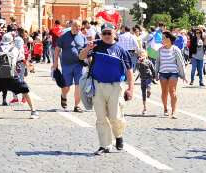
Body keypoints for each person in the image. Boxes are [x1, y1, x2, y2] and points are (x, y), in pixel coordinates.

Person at [78, 25, 134, 154]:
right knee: (101, 117)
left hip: (114, 87)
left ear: (114, 33)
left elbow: (129, 71)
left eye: (109, 33)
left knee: (115, 117)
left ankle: (118, 135)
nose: (107, 36)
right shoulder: (96, 45)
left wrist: (130, 89)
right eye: (104, 33)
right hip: (98, 86)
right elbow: (81, 57)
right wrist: (87, 48)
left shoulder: (121, 50)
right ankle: (105, 145)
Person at [53, 19, 87, 112]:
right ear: (71, 25)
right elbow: (57, 49)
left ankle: (77, 106)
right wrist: (55, 62)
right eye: (76, 26)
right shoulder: (64, 37)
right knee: (66, 86)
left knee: (79, 85)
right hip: (67, 65)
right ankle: (64, 96)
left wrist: (89, 64)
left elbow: (87, 50)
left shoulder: (83, 37)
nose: (78, 28)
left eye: (79, 26)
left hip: (79, 65)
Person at [154, 31, 188, 118]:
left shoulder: (175, 49)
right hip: (163, 73)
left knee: (172, 91)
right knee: (164, 92)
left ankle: (174, 111)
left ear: (168, 39)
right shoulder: (160, 50)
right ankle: (165, 108)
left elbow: (181, 62)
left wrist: (183, 75)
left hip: (173, 72)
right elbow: (157, 62)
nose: (162, 40)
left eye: (164, 38)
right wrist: (156, 73)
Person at [135, 49, 156, 115]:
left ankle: (148, 89)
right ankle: (145, 107)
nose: (141, 54)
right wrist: (138, 62)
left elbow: (153, 69)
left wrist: (155, 76)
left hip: (148, 75)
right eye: (140, 53)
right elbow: (136, 67)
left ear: (146, 54)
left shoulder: (148, 62)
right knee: (143, 92)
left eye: (143, 53)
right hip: (142, 78)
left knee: (148, 84)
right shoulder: (139, 62)